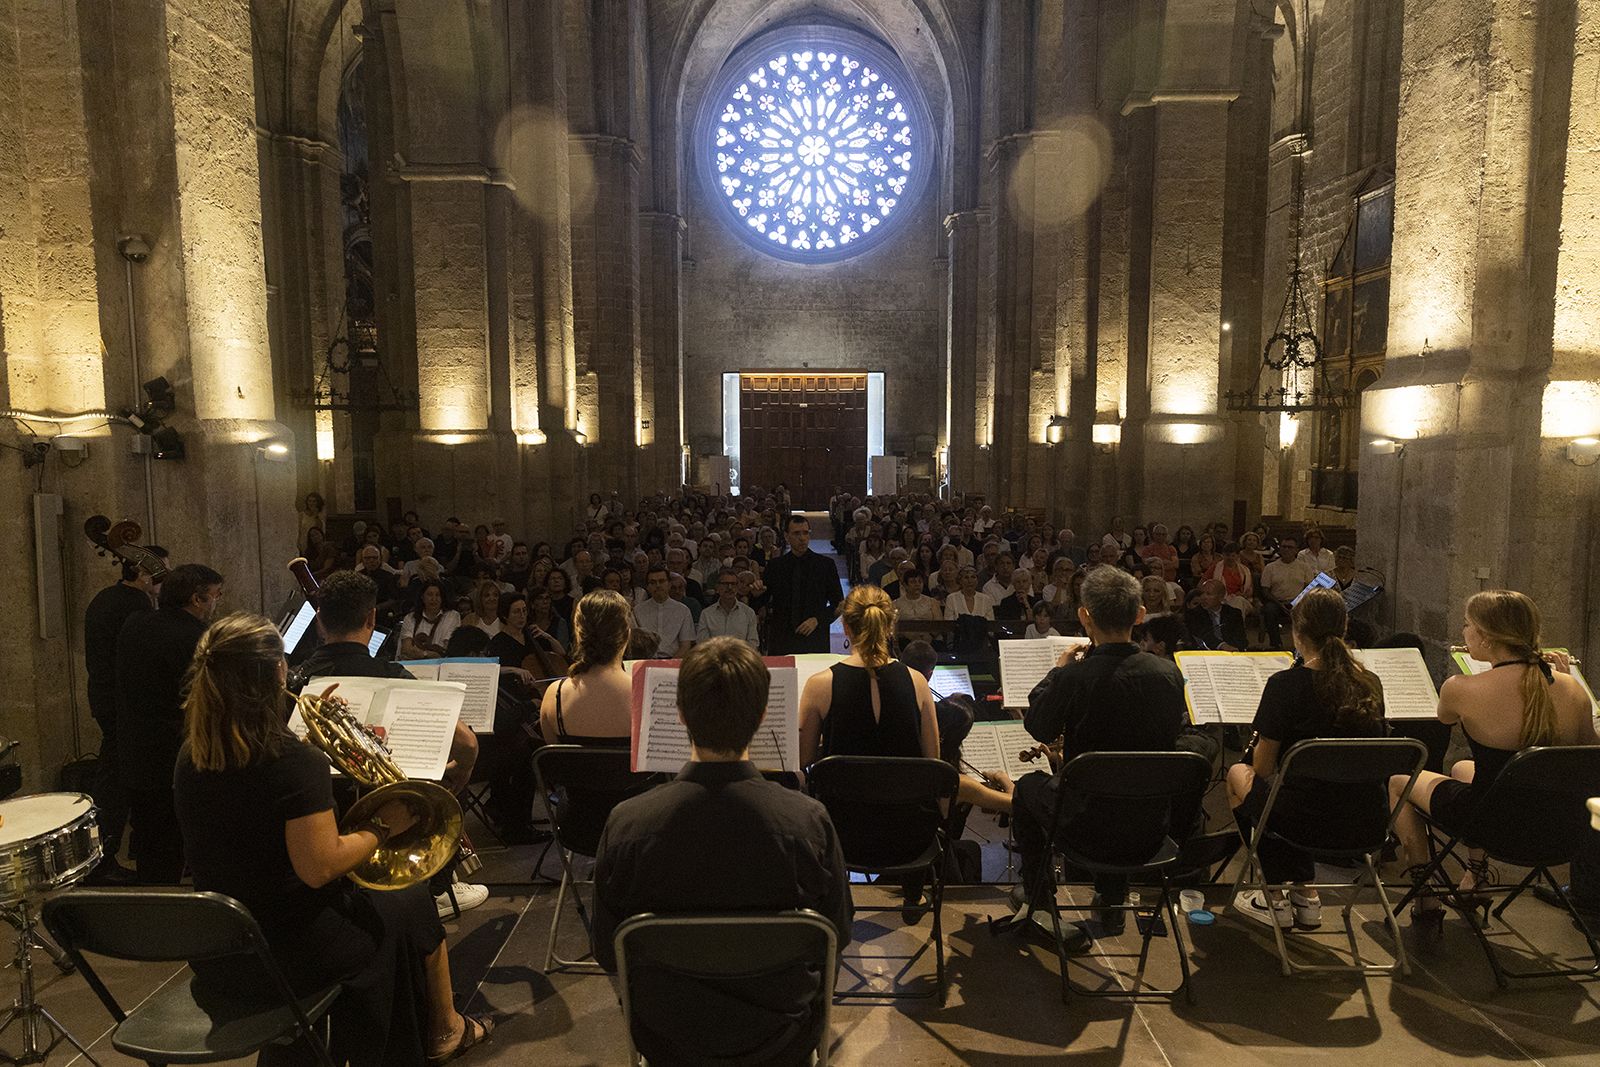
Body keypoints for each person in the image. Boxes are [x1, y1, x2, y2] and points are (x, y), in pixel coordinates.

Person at [173, 614, 493, 1066]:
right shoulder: (290, 760)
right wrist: (383, 827)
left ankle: (433, 1031)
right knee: (405, 904)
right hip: (288, 954)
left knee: (404, 903)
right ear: (277, 672)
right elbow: (320, 867)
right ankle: (427, 1035)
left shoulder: (194, 753)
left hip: (220, 950)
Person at [590, 637, 852, 1063]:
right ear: (764, 715)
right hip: (782, 1037)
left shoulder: (626, 824)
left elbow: (607, 949)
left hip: (667, 1038)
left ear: (679, 714)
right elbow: (835, 935)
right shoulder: (810, 822)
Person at [1391, 590, 1599, 930]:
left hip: (1494, 826)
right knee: (1462, 769)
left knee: (1400, 782)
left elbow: (1443, 718)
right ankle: (1475, 879)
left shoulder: (1461, 687)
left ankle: (1424, 894)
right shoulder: (1571, 691)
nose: (1464, 633)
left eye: (1468, 625)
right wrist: (1569, 680)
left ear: (1486, 637)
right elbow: (1592, 754)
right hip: (1561, 828)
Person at [1008, 567, 1188, 946]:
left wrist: (1057, 673)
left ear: (1085, 616)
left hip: (1085, 830)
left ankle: (1040, 904)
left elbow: (1039, 727)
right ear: (1139, 615)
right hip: (1150, 830)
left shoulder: (1075, 677)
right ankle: (1111, 897)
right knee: (1125, 779)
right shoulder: (1169, 675)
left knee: (1026, 787)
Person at [294, 571, 486, 916]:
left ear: (319, 620)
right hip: (386, 822)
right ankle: (436, 890)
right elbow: (467, 744)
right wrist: (462, 769)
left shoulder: (295, 680)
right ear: (371, 618)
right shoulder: (393, 675)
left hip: (314, 826)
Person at [1223, 589, 1387, 928]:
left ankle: (1272, 895)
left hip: (1305, 824)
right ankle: (1305, 892)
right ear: (1343, 629)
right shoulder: (1370, 683)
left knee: (1242, 776)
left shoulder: (1285, 685)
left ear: (1297, 633)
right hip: (1365, 821)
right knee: (1292, 793)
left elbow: (1264, 768)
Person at [115, 562, 224, 883]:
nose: (217, 602)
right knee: (178, 841)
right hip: (175, 759)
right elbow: (209, 701)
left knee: (150, 842)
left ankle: (152, 907)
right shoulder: (198, 639)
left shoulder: (135, 623)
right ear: (196, 599)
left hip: (135, 751)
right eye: (215, 595)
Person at [83, 549, 167, 883]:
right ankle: (101, 863)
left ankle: (103, 857)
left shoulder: (105, 598)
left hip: (103, 698)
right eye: (160, 573)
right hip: (121, 704)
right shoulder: (135, 606)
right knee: (116, 781)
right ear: (144, 573)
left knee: (113, 776)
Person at [799, 585, 940, 766]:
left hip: (841, 793)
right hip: (905, 793)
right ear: (890, 626)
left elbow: (803, 758)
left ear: (845, 627)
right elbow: (933, 761)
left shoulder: (819, 684)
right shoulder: (917, 681)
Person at [538, 590, 634, 745]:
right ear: (626, 634)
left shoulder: (554, 694)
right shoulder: (645, 694)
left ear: (578, 633)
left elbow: (554, 762)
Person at [758, 514, 844, 655]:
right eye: (796, 533)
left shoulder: (825, 565)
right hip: (782, 639)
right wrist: (756, 593)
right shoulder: (775, 566)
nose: (802, 538)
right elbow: (762, 601)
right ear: (786, 536)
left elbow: (839, 604)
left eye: (805, 533)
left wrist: (818, 620)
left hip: (815, 638)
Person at [1257, 534, 1315, 649]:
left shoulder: (1304, 567)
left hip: (1298, 602)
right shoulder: (1271, 567)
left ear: (1296, 550)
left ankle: (1302, 646)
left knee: (1308, 612)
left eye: (1290, 547)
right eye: (1284, 547)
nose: (1286, 550)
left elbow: (1309, 588)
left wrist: (1296, 602)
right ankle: (1276, 644)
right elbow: (1265, 590)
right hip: (1276, 601)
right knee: (1269, 610)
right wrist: (1280, 604)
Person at [633, 563, 695, 657]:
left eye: (661, 581)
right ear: (648, 587)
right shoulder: (638, 610)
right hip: (645, 662)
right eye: (653, 582)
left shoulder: (683, 611)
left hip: (674, 662)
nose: (657, 585)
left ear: (669, 584)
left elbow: (685, 645)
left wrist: (668, 666)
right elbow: (635, 646)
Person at [697, 566, 760, 646]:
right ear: (717, 587)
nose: (730, 588)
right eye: (725, 584)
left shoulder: (749, 613)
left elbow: (753, 643)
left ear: (737, 587)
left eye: (733, 584)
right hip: (714, 657)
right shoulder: (706, 614)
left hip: (740, 657)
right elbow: (702, 644)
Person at [398, 579, 459, 660]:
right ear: (422, 597)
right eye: (430, 595)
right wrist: (428, 654)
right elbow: (406, 649)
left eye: (437, 595)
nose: (434, 599)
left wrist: (422, 654)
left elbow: (446, 650)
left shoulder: (452, 616)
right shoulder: (410, 618)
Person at [1185, 579, 1248, 651]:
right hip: (1204, 654)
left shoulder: (1234, 613)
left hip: (1231, 654)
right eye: (1202, 593)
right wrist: (1222, 646)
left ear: (1221, 597)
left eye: (1208, 594)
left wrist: (1237, 650)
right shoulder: (1194, 614)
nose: (1204, 597)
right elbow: (1204, 635)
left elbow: (1240, 638)